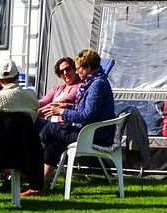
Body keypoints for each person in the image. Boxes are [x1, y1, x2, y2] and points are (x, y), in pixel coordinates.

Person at [22, 48, 115, 196]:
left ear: (88, 68)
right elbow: (88, 111)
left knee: (51, 128)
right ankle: (40, 187)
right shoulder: (95, 82)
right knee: (53, 141)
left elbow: (88, 115)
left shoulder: (97, 85)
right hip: (91, 132)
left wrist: (62, 112)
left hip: (95, 136)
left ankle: (24, 166)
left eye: (78, 69)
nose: (77, 73)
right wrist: (69, 106)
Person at [36, 56, 81, 124]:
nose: (65, 73)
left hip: (64, 124)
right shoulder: (57, 88)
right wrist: (30, 105)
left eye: (68, 69)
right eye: (61, 71)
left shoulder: (80, 87)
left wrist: (38, 112)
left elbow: (58, 104)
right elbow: (44, 101)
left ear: (74, 69)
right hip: (50, 122)